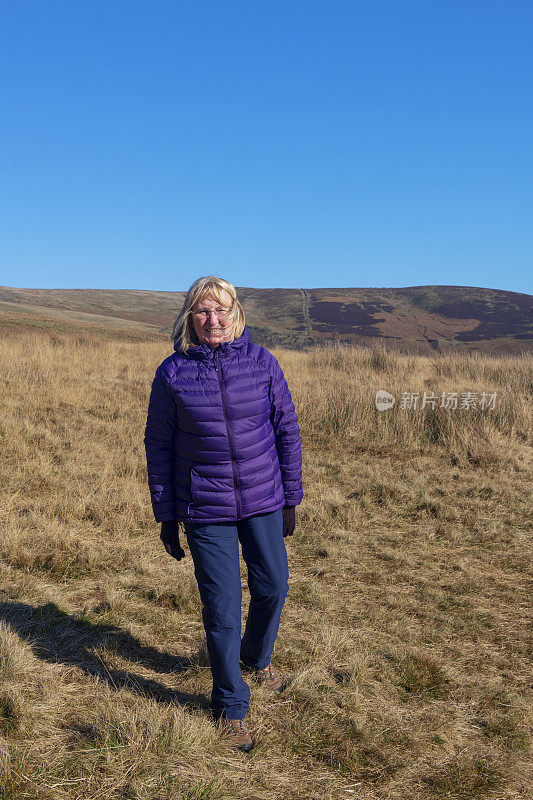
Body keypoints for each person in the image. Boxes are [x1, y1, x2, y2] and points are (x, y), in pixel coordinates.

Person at [143, 275, 303, 752]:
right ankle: (230, 705)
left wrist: (290, 498)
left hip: (262, 499)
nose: (213, 320)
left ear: (236, 314)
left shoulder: (262, 363)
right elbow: (159, 447)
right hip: (204, 506)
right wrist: (166, 515)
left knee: (273, 586)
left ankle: (257, 656)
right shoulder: (172, 374)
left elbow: (287, 431)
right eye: (202, 312)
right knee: (223, 608)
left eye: (221, 310)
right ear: (191, 318)